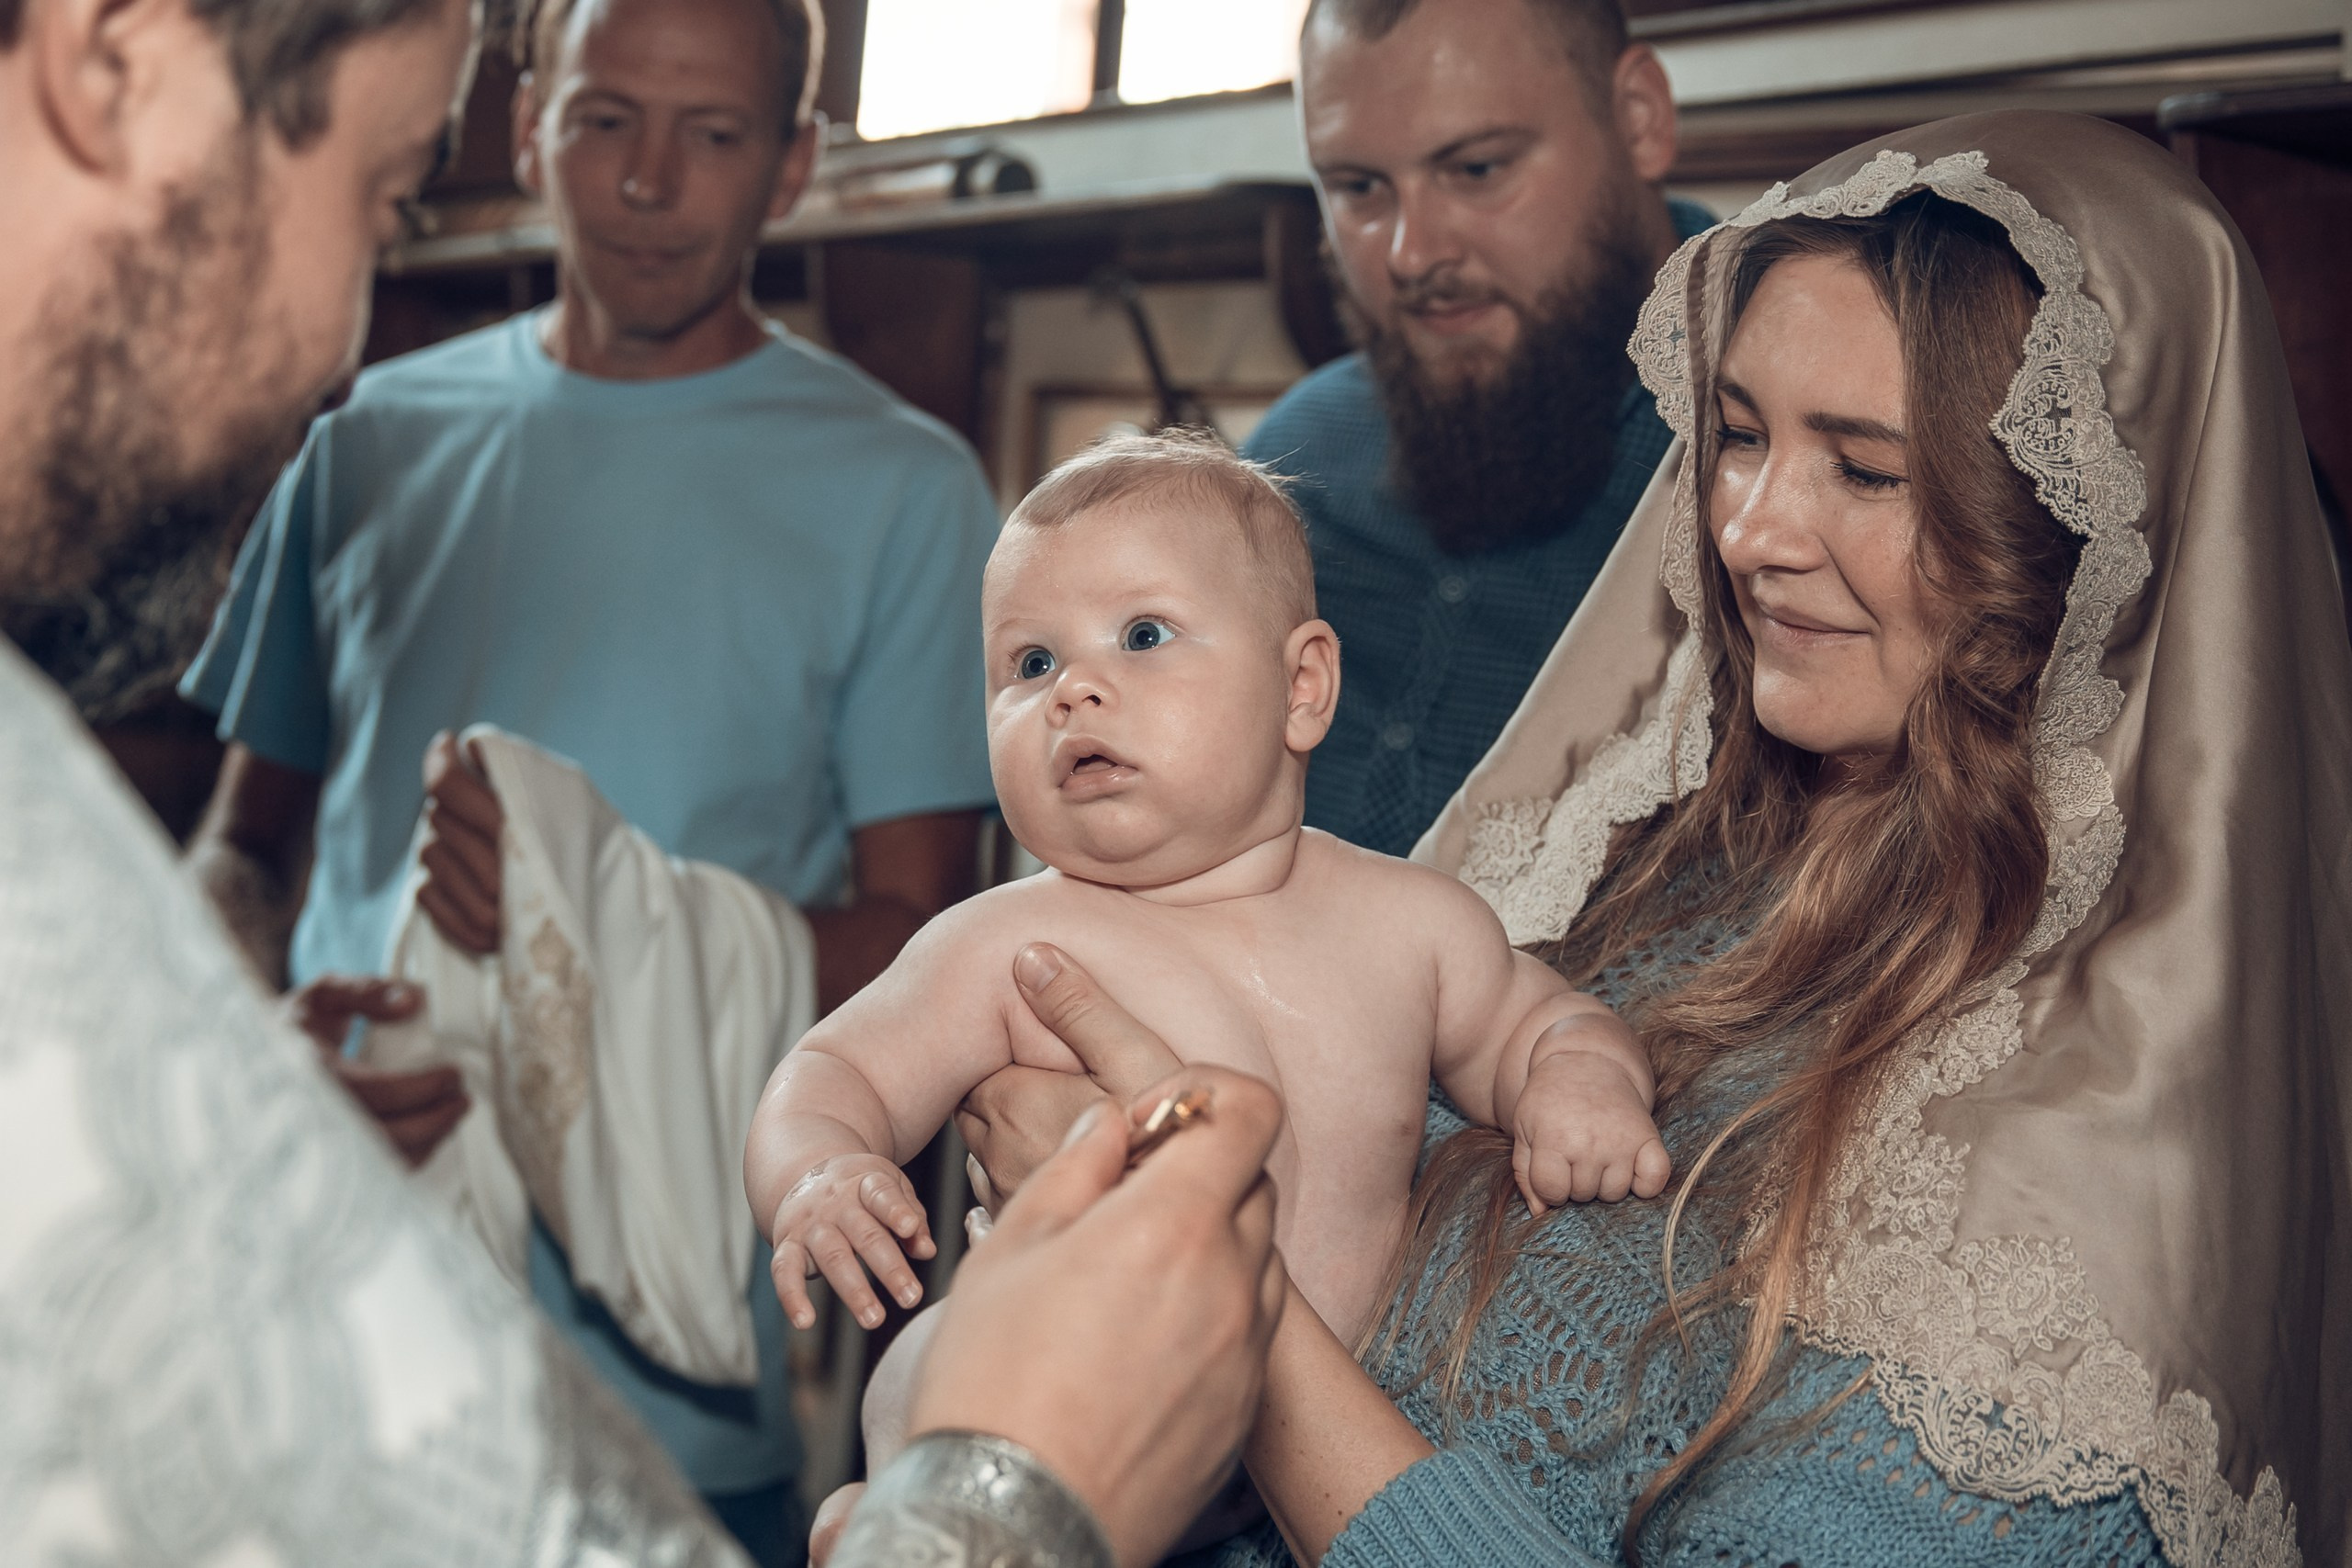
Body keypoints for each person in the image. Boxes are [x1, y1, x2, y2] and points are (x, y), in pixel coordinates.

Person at [886, 112, 2350, 1566]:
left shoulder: (2088, 1192)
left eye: (1864, 467)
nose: (1752, 529)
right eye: (1739, 437)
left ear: (2082, 528)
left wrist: (1211, 1270)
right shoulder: (1648, 865)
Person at [175, 0, 1001, 1551]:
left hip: (670, 1378)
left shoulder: (905, 491)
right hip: (326, 1292)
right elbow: (232, 853)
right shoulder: (357, 444)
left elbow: (920, 939)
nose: (646, 181)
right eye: (608, 118)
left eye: (714, 134)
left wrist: (596, 916)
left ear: (794, 163)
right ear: (528, 118)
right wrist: (263, 1066)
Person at [746, 434, 1665, 1361]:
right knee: (912, 1379)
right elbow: (836, 1073)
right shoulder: (1006, 947)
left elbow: (1546, 1026)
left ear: (1301, 688)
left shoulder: (1412, 927)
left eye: (1141, 636)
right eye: (1029, 664)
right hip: (1074, 1435)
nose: (1073, 690)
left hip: (1325, 1458)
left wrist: (1578, 1083)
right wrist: (819, 1169)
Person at [1240, 0, 1710, 858]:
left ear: (1639, 118)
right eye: (1358, 189)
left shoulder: (1785, 441)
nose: (1412, 255)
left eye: (1478, 169)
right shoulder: (1294, 453)